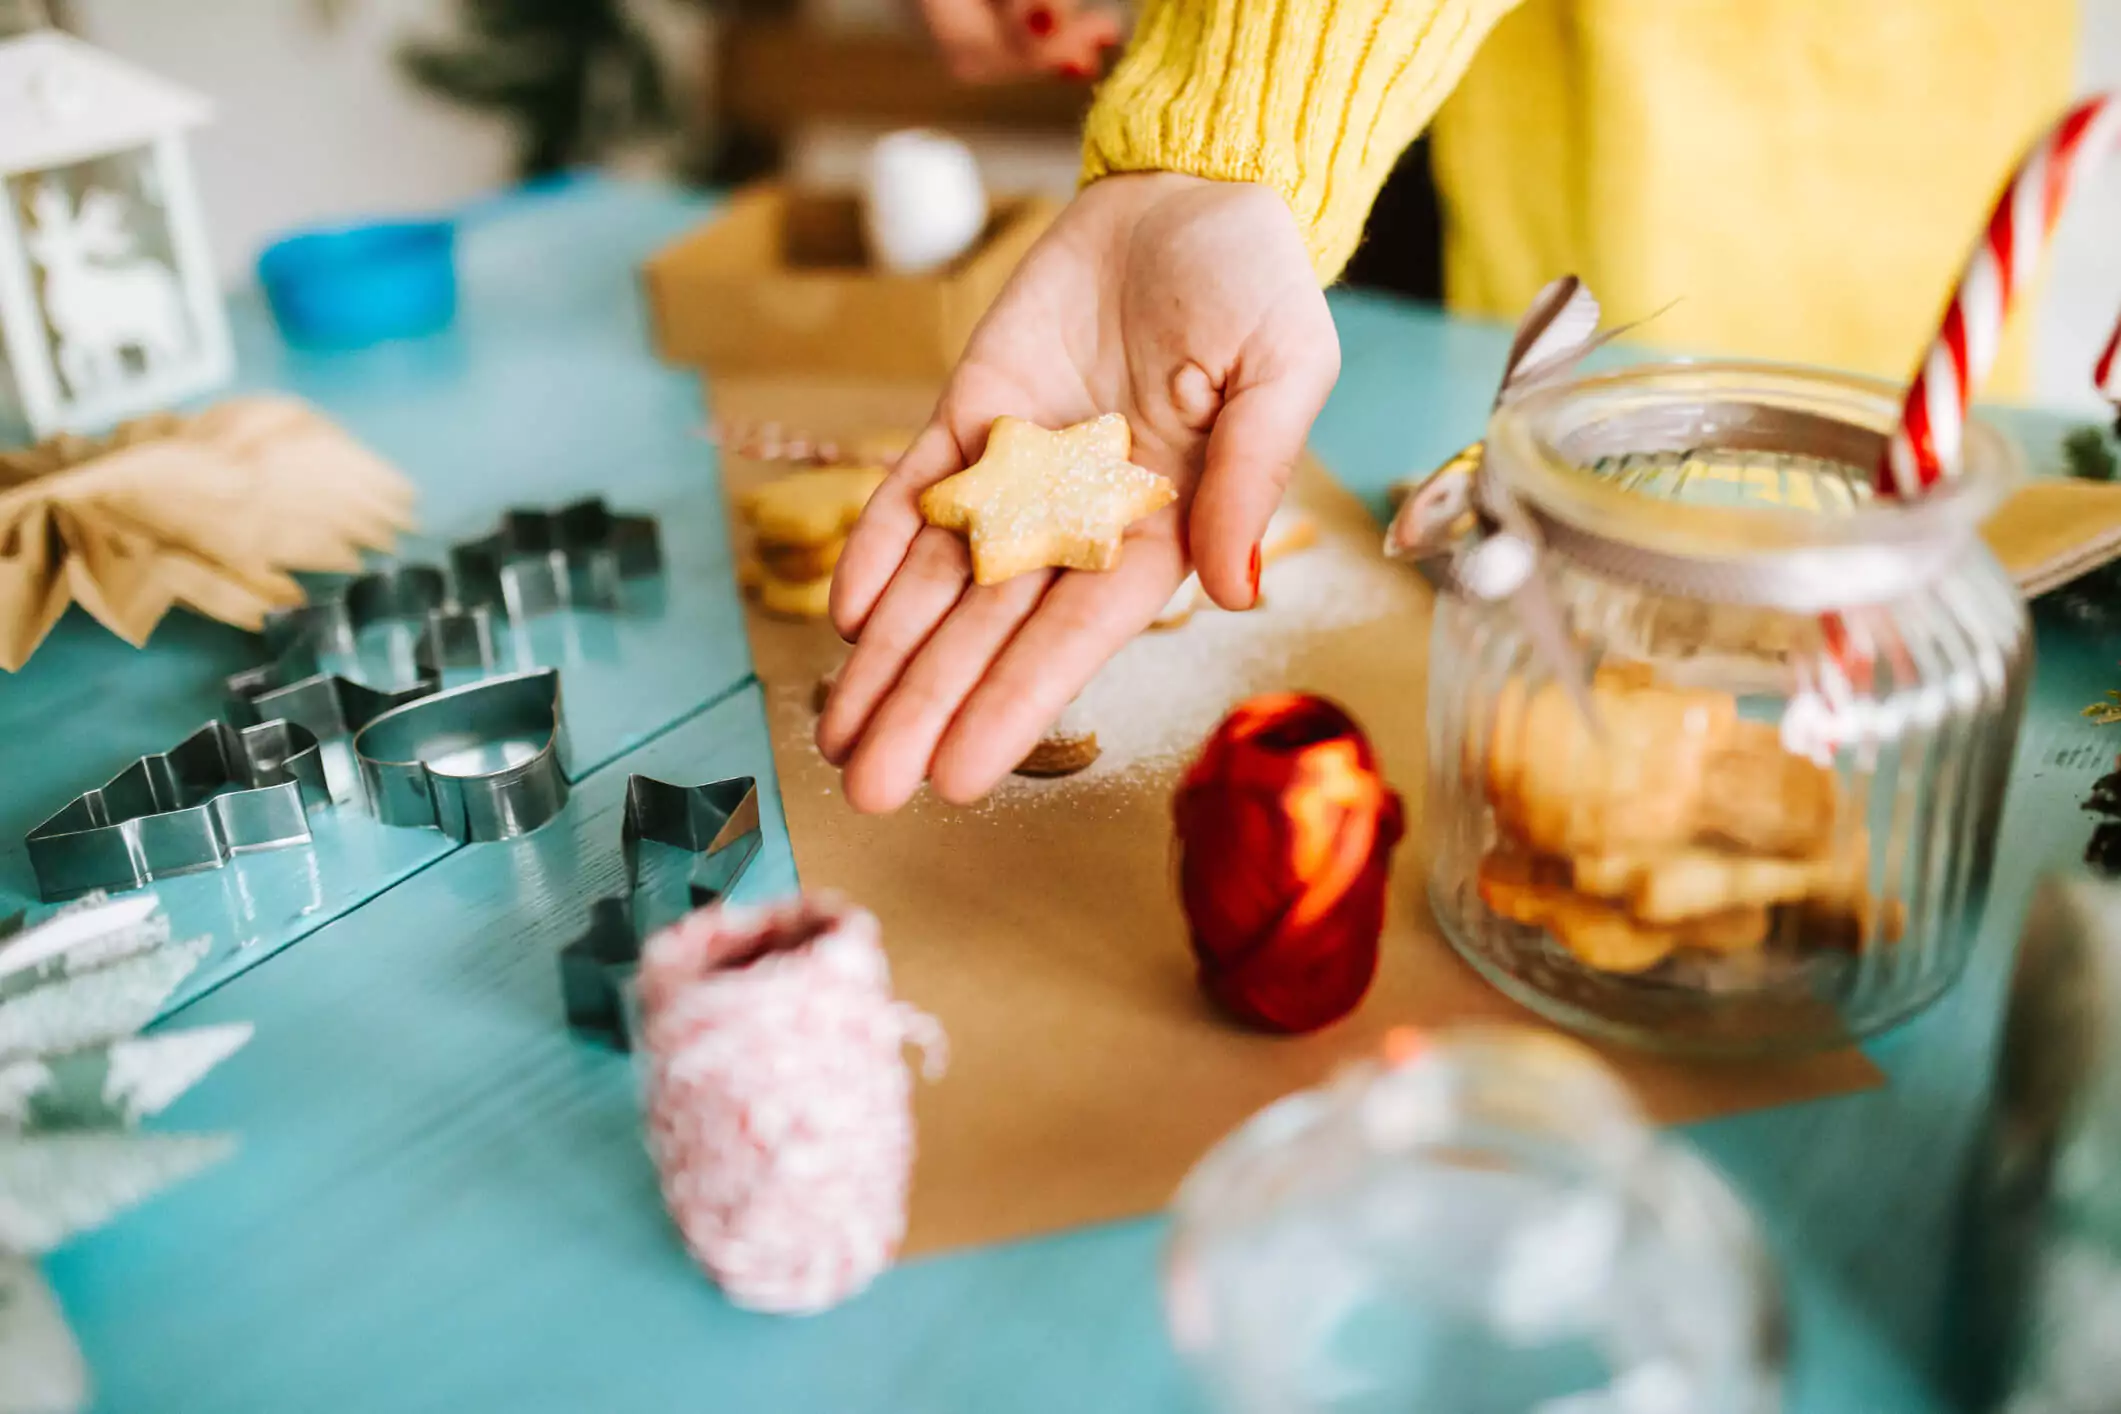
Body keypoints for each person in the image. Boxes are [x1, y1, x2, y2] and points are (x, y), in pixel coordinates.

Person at [818, 0, 2077, 815]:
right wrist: (1223, 120)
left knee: (1818, 678)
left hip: (1820, 183)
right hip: (1444, 108)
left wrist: (1233, 129)